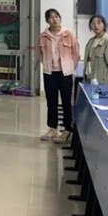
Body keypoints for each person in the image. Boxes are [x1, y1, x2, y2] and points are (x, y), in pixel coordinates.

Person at [36, 8, 80, 143]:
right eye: (51, 17)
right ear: (47, 20)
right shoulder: (43, 36)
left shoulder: (68, 34)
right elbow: (39, 53)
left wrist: (70, 67)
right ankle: (52, 128)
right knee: (51, 102)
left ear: (60, 18)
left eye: (56, 16)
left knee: (67, 102)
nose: (54, 19)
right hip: (49, 73)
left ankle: (67, 130)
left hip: (65, 73)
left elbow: (76, 53)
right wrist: (45, 64)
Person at [83, 14, 108, 86]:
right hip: (89, 78)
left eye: (99, 23)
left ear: (104, 25)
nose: (96, 26)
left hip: (103, 81)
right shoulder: (91, 41)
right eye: (93, 23)